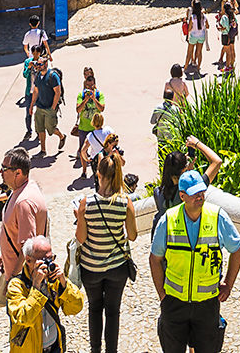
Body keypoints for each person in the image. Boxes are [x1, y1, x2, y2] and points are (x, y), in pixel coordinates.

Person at [151, 169, 240, 353]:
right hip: (174, 302)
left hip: (207, 304)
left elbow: (238, 248)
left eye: (202, 192)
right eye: (195, 193)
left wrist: (228, 284)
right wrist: (162, 295)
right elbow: (155, 259)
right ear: (183, 195)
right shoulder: (168, 219)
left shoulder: (218, 216)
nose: (200, 196)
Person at [74, 150, 139, 353]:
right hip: (117, 267)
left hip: (91, 267)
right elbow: (133, 235)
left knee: (94, 309)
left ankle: (95, 350)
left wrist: (80, 217)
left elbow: (81, 238)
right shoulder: (125, 202)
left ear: (98, 175)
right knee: (113, 312)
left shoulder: (86, 203)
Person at [7, 234, 85, 353]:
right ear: (28, 260)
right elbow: (23, 319)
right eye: (44, 261)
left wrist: (64, 284)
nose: (49, 265)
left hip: (54, 347)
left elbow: (76, 308)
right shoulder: (17, 286)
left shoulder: (54, 281)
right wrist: (36, 287)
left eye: (51, 259)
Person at [0, 147, 50, 282]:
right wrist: (5, 255)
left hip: (22, 279)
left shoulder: (23, 202)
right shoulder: (26, 188)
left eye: (5, 168)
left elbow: (28, 249)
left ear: (18, 173)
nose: (1, 172)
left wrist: (13, 279)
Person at [154, 137, 225, 215]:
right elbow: (217, 161)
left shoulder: (158, 193)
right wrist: (197, 144)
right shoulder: (189, 191)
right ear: (184, 169)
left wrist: (186, 171)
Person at [31, 50, 64, 158]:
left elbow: (57, 92)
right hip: (40, 107)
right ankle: (43, 150)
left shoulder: (53, 76)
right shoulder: (37, 75)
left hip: (50, 107)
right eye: (37, 64)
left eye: (40, 64)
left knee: (51, 129)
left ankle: (62, 136)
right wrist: (32, 105)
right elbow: (35, 91)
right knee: (40, 129)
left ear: (45, 64)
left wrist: (53, 107)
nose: (38, 66)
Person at [71, 67, 105, 169]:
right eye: (88, 86)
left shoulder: (99, 95)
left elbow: (102, 108)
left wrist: (94, 99)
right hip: (83, 128)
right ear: (85, 85)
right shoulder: (81, 95)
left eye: (92, 86)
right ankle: (84, 171)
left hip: (95, 128)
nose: (90, 88)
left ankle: (97, 169)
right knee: (82, 150)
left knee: (98, 150)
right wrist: (85, 99)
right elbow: (78, 109)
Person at [217, 0, 240, 76]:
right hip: (232, 35)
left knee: (228, 52)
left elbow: (224, 27)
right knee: (232, 50)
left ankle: (227, 66)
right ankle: (232, 65)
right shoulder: (233, 15)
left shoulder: (224, 17)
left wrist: (219, 27)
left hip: (225, 35)